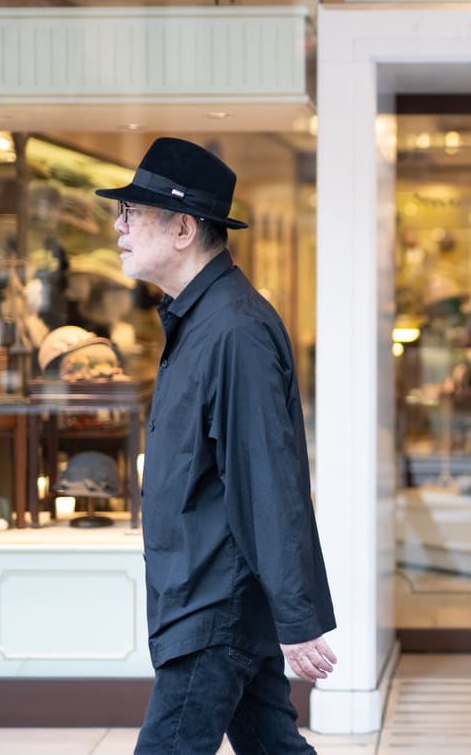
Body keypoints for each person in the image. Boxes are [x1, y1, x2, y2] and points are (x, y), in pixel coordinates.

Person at [97, 137, 336, 754]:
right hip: (208, 595)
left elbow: (267, 479)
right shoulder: (198, 318)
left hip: (215, 606)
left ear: (182, 228)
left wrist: (296, 618)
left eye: (133, 212)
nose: (119, 225)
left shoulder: (233, 330)